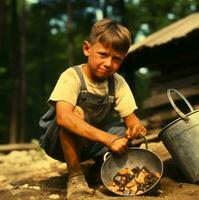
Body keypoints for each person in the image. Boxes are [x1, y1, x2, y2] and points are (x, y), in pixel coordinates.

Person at [39, 18, 147, 199]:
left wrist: (135, 128)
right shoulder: (72, 76)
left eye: (116, 59)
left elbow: (131, 118)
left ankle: (99, 171)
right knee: (75, 114)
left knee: (127, 135)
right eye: (103, 55)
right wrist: (109, 139)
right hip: (58, 142)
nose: (108, 63)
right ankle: (75, 177)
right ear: (87, 49)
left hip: (93, 142)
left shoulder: (118, 82)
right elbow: (63, 118)